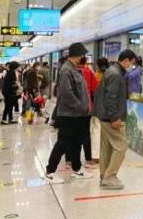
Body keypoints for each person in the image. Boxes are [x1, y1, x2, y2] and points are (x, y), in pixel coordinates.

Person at [44, 43, 94, 184]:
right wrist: (80, 107)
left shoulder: (74, 69)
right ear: (77, 55)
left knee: (75, 143)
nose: (83, 57)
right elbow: (67, 94)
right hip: (69, 115)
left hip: (77, 115)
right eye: (82, 55)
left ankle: (76, 169)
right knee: (63, 143)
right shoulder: (66, 70)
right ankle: (50, 172)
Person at [93, 49, 136, 190]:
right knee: (121, 146)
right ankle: (109, 176)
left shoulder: (112, 71)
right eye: (131, 63)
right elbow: (111, 98)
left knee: (107, 147)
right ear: (126, 60)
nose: (130, 66)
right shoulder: (116, 74)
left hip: (105, 116)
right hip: (109, 117)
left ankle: (104, 175)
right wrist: (115, 118)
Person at [79, 56, 98, 165]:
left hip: (73, 108)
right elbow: (95, 88)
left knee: (73, 133)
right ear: (85, 62)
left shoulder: (72, 72)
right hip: (87, 106)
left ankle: (70, 160)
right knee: (86, 132)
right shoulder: (89, 72)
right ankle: (88, 158)